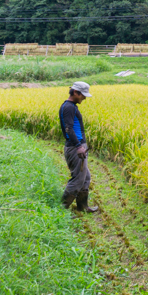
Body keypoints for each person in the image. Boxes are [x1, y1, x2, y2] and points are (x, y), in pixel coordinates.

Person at [58, 82, 98, 213]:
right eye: (83, 95)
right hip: (75, 148)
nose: (84, 98)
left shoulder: (72, 106)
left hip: (78, 146)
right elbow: (69, 129)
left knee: (85, 177)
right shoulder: (68, 107)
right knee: (78, 179)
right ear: (75, 92)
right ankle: (61, 210)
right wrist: (78, 146)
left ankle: (82, 207)